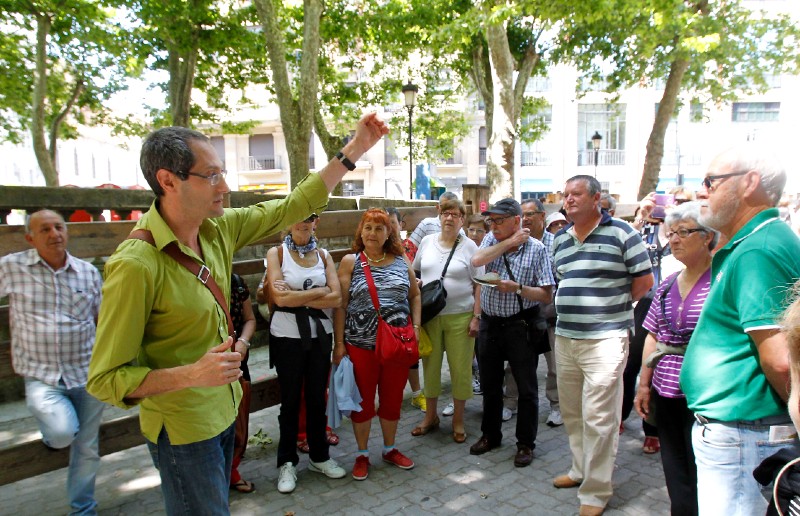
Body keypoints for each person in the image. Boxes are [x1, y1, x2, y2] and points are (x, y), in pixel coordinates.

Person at [87, 114, 388, 515]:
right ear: (168, 180)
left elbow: (292, 205)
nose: (225, 187)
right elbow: (105, 379)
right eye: (211, 176)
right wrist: (190, 375)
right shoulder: (136, 264)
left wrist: (355, 149)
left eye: (222, 174)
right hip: (184, 432)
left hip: (224, 413)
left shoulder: (216, 230)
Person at [680, 146, 800, 515]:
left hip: (748, 434)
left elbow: (781, 361)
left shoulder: (757, 251)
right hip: (741, 432)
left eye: (711, 181)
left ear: (749, 183)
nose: (702, 191)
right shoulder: (754, 243)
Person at [552, 175, 653, 516]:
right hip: (566, 337)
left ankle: (596, 492)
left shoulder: (623, 233)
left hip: (606, 340)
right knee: (573, 412)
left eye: (576, 193)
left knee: (599, 416)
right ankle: (580, 470)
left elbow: (644, 281)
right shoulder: (560, 239)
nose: (568, 199)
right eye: (566, 195)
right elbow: (562, 281)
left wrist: (614, 313)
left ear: (596, 198)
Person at [0, 209, 105, 516]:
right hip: (42, 376)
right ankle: (53, 434)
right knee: (62, 434)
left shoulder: (88, 272)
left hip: (86, 373)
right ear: (30, 237)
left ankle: (83, 510)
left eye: (58, 227)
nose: (54, 234)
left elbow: (101, 320)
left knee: (87, 449)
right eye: (44, 229)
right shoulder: (11, 268)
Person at [633, 202, 718, 516]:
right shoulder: (667, 284)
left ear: (708, 236)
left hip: (706, 393)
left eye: (684, 232)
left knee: (705, 469)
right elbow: (652, 336)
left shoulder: (721, 282)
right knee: (675, 466)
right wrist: (643, 386)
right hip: (665, 390)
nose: (674, 240)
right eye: (671, 234)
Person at [333, 208, 422, 481]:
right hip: (361, 345)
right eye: (368, 227)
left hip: (396, 344)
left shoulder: (401, 261)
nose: (372, 233)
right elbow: (340, 306)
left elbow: (415, 295)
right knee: (363, 403)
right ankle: (361, 454)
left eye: (379, 228)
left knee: (393, 398)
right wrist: (339, 344)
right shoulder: (351, 262)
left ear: (389, 233)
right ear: (361, 231)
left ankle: (389, 448)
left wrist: (416, 328)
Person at [469, 198, 554, 468]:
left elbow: (546, 294)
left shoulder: (537, 249)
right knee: (491, 385)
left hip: (522, 324)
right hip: (491, 324)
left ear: (516, 220)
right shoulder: (491, 241)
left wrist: (517, 288)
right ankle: (490, 435)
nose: (493, 225)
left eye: (499, 220)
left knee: (527, 388)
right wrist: (508, 242)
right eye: (491, 220)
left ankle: (525, 444)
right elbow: (476, 260)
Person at [267, 214, 346, 494]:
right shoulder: (276, 253)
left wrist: (296, 296)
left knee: (316, 399)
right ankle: (286, 462)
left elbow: (337, 299)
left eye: (309, 219)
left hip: (319, 337)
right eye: (297, 217)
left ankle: (319, 457)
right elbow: (279, 298)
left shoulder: (324, 255)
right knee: (289, 402)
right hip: (286, 337)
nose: (303, 223)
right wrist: (320, 291)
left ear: (316, 223)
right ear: (288, 223)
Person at [411, 198, 482, 443]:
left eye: (456, 214)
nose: (450, 218)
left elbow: (479, 285)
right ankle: (430, 417)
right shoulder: (427, 242)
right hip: (431, 317)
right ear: (439, 216)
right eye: (446, 213)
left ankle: (458, 420)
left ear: (462, 219)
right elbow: (416, 271)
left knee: (460, 369)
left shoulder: (469, 246)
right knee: (430, 368)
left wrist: (476, 317)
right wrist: (417, 284)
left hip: (460, 317)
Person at [386, 207, 426, 413]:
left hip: (406, 308)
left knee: (410, 354)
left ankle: (417, 394)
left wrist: (417, 280)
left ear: (400, 225)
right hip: (382, 314)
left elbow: (418, 271)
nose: (388, 228)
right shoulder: (370, 249)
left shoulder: (408, 248)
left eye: (392, 223)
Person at [229, 273, 256, 494]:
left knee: (239, 417)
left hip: (237, 359)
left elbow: (249, 318)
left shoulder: (236, 282)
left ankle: (233, 470)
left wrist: (243, 342)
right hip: (203, 365)